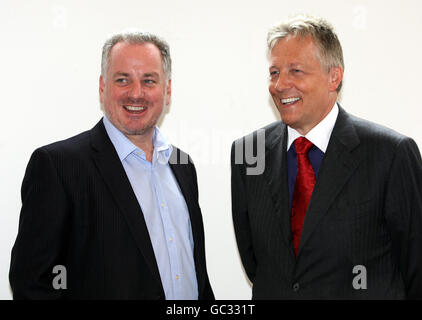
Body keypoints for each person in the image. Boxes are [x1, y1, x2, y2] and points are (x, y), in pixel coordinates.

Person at [10, 30, 214, 300]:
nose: (136, 93)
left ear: (167, 90)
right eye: (123, 80)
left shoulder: (182, 165)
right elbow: (32, 283)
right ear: (102, 87)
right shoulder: (58, 167)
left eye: (149, 80)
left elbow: (194, 270)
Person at [231, 15, 422, 299]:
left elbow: (416, 267)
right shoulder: (248, 153)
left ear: (334, 77)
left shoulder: (391, 154)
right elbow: (258, 264)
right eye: (274, 72)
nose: (280, 84)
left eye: (295, 71)